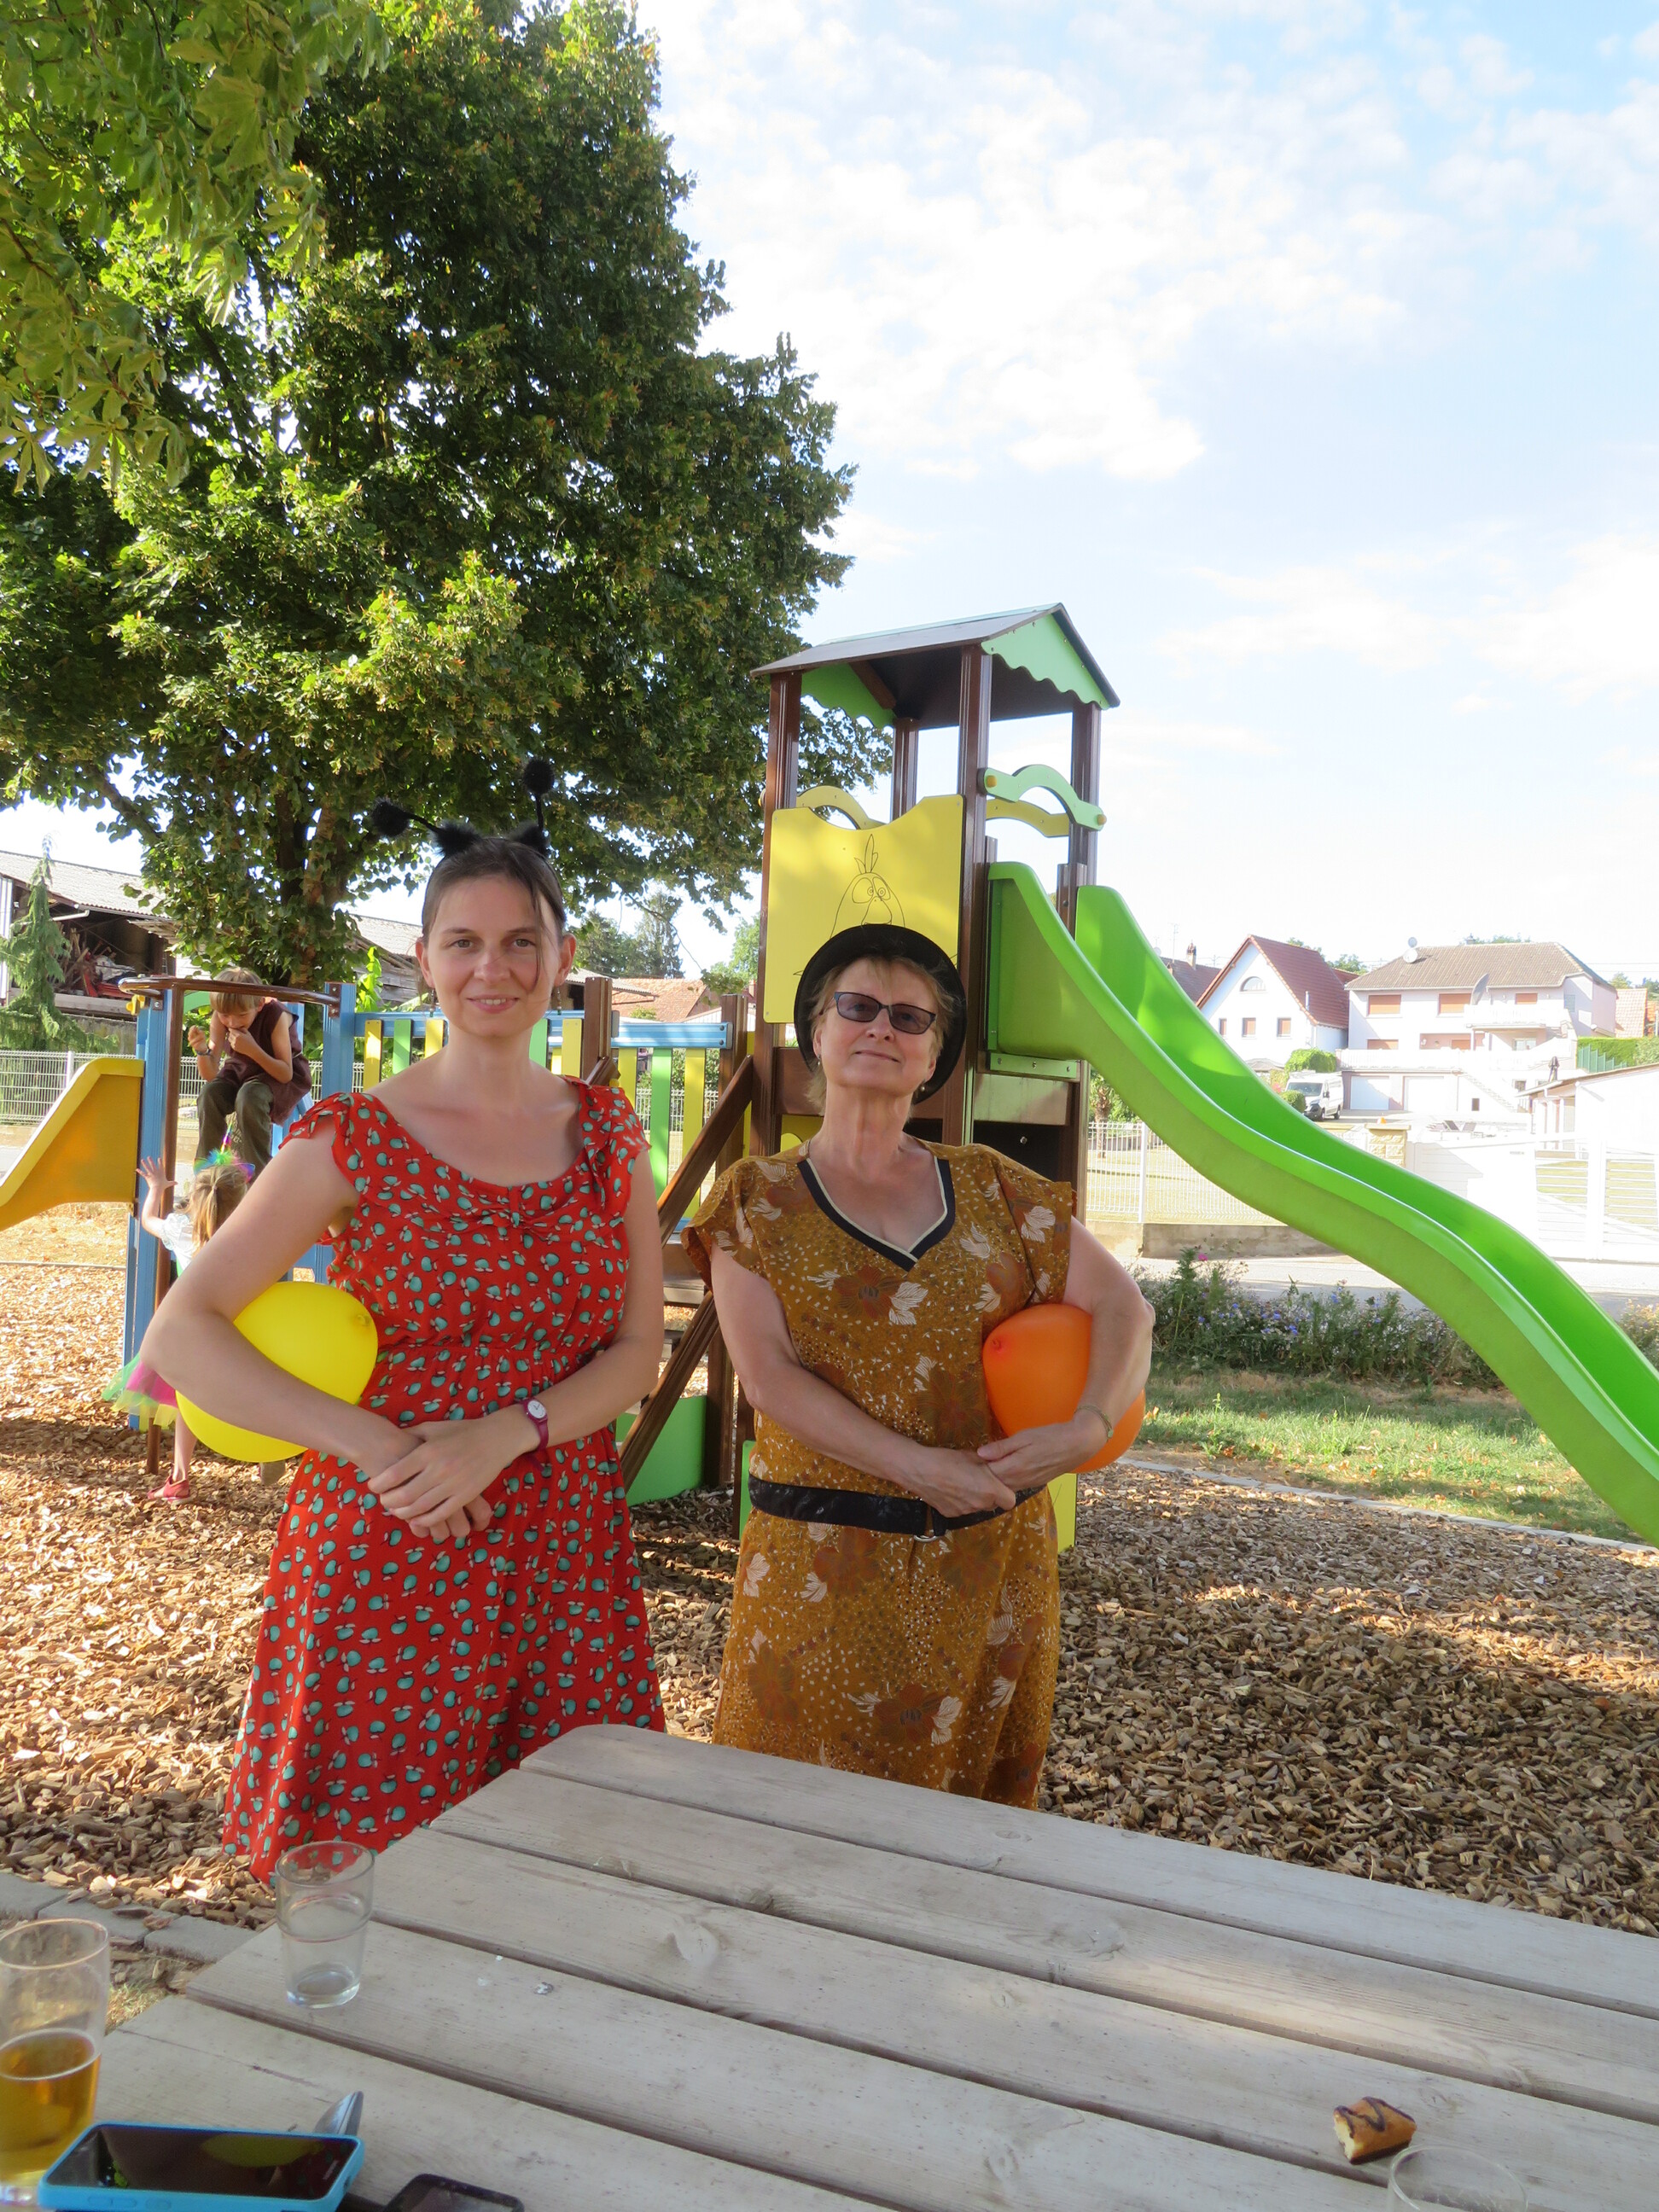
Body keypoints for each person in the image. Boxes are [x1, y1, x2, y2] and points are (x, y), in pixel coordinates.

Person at [142, 812, 666, 1877]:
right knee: (371, 1879)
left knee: (560, 1877)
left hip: (564, 1553)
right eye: (464, 943)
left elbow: (635, 1354)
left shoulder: (608, 1134)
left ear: (563, 957)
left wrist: (508, 1431)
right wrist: (379, 1447)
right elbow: (182, 1334)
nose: (492, 969)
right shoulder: (353, 1135)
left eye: (521, 942)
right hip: (394, 1539)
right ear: (424, 960)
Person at [684, 923, 1154, 1807]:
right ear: (817, 1030)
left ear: (934, 1056)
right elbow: (772, 1378)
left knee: (969, 1827)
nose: (881, 1028)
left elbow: (1126, 1309)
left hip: (989, 1570)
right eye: (857, 1006)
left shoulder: (994, 1188)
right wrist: (917, 1468)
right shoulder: (758, 1200)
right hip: (822, 1568)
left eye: (910, 1017)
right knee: (793, 1817)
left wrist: (1088, 1427)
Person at [103, 1152, 253, 1502]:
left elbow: (148, 1220)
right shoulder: (249, 1233)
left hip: (194, 1329)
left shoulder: (182, 1229)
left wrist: (156, 1187)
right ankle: (266, 1450)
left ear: (197, 1197)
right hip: (243, 1326)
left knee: (187, 1398)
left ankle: (180, 1477)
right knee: (252, 1388)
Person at [189, 969, 311, 1173]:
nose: (233, 1022)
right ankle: (207, 1172)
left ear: (260, 1004)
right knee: (209, 1094)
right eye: (225, 1015)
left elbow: (285, 1073)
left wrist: (252, 1050)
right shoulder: (220, 1018)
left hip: (276, 1075)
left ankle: (257, 1175)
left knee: (249, 1097)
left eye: (242, 1015)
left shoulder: (276, 1016)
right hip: (240, 1070)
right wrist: (202, 1050)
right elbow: (210, 1075)